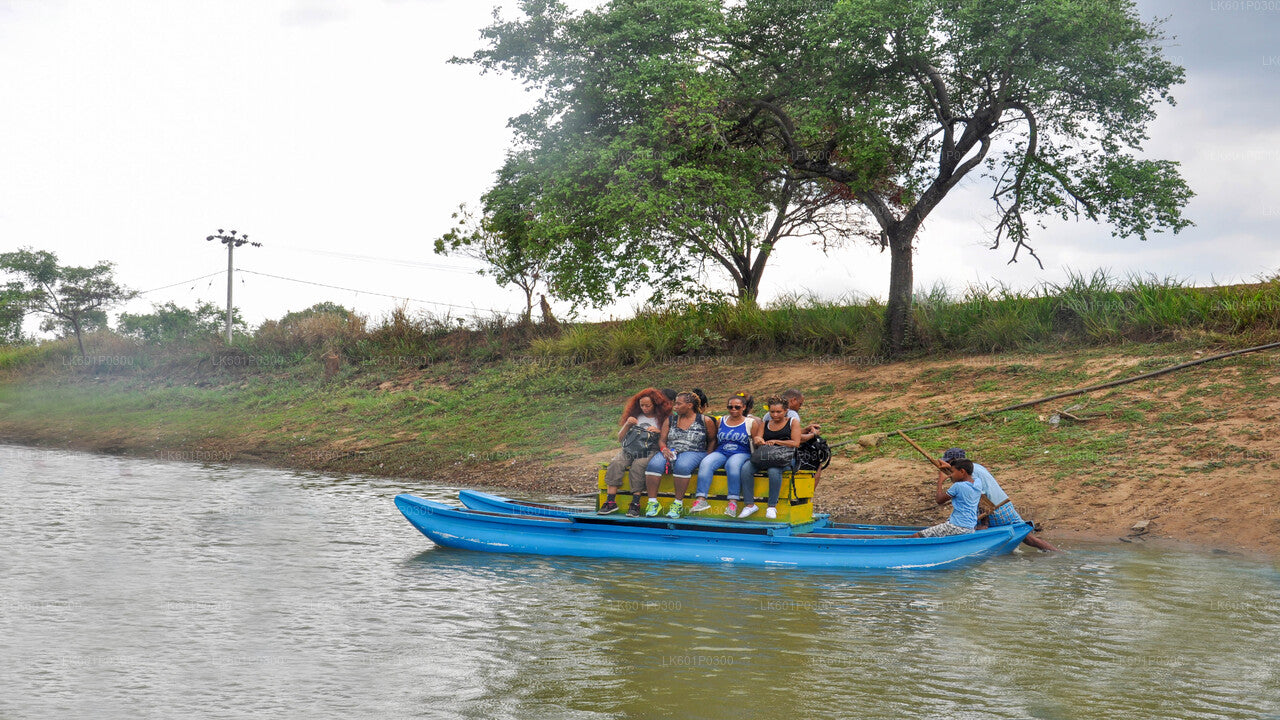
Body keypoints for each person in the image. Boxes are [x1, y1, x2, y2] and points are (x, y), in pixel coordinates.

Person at [940, 448, 1061, 552]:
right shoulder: (976, 467)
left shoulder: (970, 474)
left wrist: (984, 524)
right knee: (1028, 538)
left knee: (954, 528)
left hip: (994, 509)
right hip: (1005, 506)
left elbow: (982, 499)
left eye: (950, 464)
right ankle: (1056, 552)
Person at [641, 391, 717, 518]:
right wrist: (664, 449)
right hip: (671, 450)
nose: (675, 407)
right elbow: (662, 439)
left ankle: (678, 504)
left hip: (695, 451)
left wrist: (708, 455)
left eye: (678, 404)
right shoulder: (670, 420)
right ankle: (653, 502)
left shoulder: (704, 420)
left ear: (689, 405)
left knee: (682, 466)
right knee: (654, 465)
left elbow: (713, 439)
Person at [599, 388, 672, 515]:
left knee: (638, 465)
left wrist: (659, 432)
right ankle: (610, 501)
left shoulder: (663, 419)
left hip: (650, 449)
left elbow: (668, 439)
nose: (644, 408)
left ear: (655, 404)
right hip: (631, 447)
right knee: (616, 463)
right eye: (642, 405)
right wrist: (627, 424)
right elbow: (620, 438)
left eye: (647, 405)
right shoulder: (635, 416)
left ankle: (635, 503)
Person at [689, 392, 757, 517]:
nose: (733, 410)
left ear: (744, 407)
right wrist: (710, 452)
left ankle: (733, 502)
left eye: (737, 407)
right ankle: (701, 499)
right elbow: (714, 439)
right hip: (722, 451)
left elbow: (756, 441)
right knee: (706, 462)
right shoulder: (721, 421)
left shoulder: (750, 422)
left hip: (741, 452)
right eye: (730, 407)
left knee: (733, 465)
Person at [740, 396, 802, 519]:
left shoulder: (792, 422)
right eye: (772, 412)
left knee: (773, 471)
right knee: (746, 468)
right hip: (767, 456)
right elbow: (758, 437)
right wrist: (759, 440)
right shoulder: (765, 423)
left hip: (785, 457)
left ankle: (772, 506)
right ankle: (749, 505)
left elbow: (795, 443)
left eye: (778, 412)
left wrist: (776, 441)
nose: (775, 415)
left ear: (785, 411)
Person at [910, 458, 980, 538]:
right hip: (970, 527)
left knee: (916, 536)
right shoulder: (977, 482)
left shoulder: (958, 486)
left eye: (953, 472)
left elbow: (939, 500)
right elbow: (964, 476)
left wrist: (940, 481)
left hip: (957, 527)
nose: (951, 475)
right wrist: (950, 467)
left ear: (962, 471)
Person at [781, 388, 824, 486]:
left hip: (769, 452)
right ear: (793, 400)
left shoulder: (769, 414)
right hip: (787, 455)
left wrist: (805, 429)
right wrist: (813, 435)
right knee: (817, 463)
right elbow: (798, 439)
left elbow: (784, 432)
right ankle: (806, 497)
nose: (800, 407)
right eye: (800, 404)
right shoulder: (792, 413)